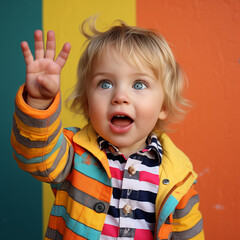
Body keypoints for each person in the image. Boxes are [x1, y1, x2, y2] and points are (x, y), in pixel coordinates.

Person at [11, 18, 204, 240]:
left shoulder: (179, 176)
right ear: (87, 103)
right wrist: (38, 102)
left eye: (139, 85)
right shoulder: (73, 152)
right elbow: (35, 157)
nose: (120, 97)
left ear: (163, 106)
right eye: (105, 84)